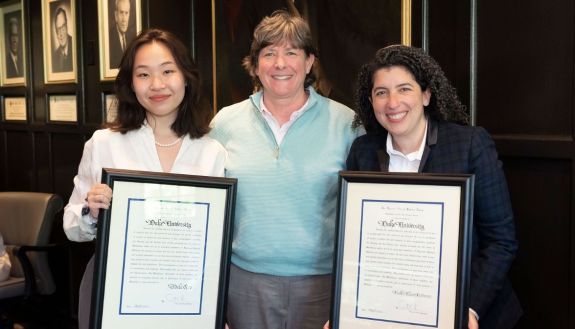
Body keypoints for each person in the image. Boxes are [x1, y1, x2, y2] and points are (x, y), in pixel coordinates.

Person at [340, 45, 522, 329]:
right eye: (381, 92)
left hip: (469, 314)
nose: (392, 103)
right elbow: (356, 245)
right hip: (388, 312)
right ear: (370, 101)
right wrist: (344, 309)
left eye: (404, 89)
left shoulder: (469, 145)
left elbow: (501, 241)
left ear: (426, 95)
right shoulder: (362, 151)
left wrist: (469, 309)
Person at [62, 28, 227, 329]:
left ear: (186, 78)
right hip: (114, 288)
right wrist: (91, 209)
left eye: (168, 71)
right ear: (130, 84)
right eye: (143, 75)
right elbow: (73, 227)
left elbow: (214, 239)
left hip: (186, 295)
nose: (157, 85)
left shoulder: (211, 151)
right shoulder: (104, 143)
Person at [209, 10, 362, 329]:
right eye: (269, 54)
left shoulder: (347, 124)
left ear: (309, 63)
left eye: (291, 52)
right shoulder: (224, 123)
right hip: (244, 284)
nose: (280, 64)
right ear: (254, 64)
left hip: (321, 286)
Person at [109, 0, 135, 68]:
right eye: (121, 13)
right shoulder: (109, 38)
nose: (124, 19)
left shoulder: (133, 37)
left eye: (126, 13)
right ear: (116, 15)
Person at [52, 7, 73, 73]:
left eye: (63, 26)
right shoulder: (54, 57)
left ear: (67, 25)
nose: (61, 33)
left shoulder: (75, 47)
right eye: (58, 29)